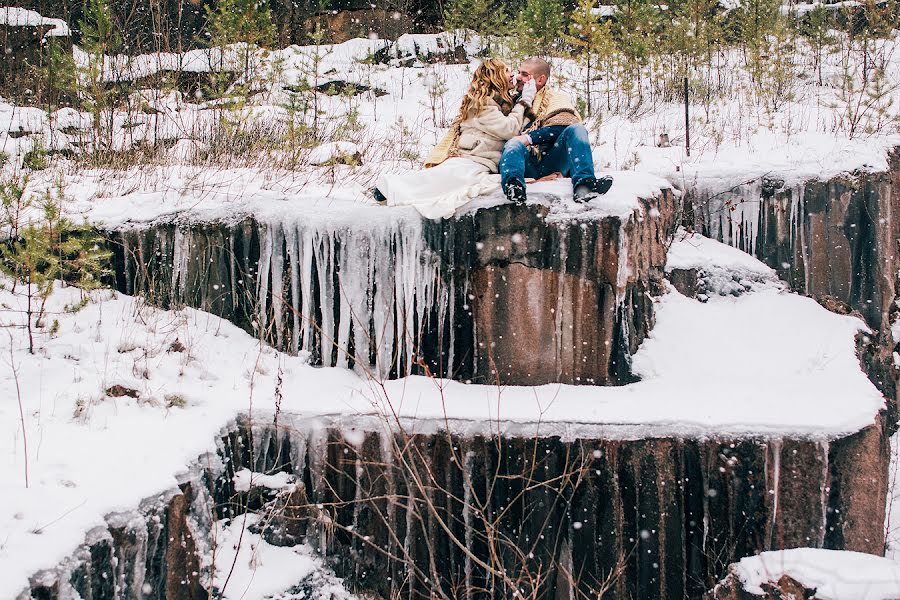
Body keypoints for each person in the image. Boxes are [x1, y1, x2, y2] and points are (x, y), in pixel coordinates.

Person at [372, 58, 537, 219]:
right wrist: (525, 100)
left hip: (479, 160)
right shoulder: (483, 105)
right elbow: (509, 129)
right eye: (507, 70)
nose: (512, 75)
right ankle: (390, 187)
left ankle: (393, 189)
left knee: (449, 182)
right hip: (473, 159)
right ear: (495, 76)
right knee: (447, 181)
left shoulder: (497, 102)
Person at [499, 57, 613, 204]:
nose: (518, 77)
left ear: (540, 80)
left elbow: (563, 127)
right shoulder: (512, 101)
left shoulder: (555, 98)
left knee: (577, 129)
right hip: (524, 163)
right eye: (519, 72)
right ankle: (513, 187)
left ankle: (584, 185)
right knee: (513, 144)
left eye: (525, 74)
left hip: (551, 161)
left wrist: (529, 138)